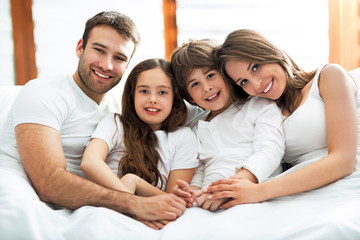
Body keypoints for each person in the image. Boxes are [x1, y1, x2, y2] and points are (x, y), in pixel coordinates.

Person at [0, 11, 187, 225]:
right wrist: (135, 205)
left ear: (127, 66)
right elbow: (48, 183)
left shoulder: (121, 108)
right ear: (80, 47)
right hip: (25, 191)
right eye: (99, 50)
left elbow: (186, 108)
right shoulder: (43, 92)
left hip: (86, 204)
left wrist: (191, 61)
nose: (107, 65)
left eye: (119, 58)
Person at [207, 29, 359, 208]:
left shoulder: (328, 76)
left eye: (255, 67)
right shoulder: (263, 112)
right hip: (298, 193)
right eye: (244, 82)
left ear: (270, 52)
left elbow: (343, 161)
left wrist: (258, 191)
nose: (256, 85)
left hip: (347, 182)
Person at [81, 58, 198, 229]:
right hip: (109, 212)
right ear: (132, 95)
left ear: (175, 99)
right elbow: (90, 161)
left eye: (162, 92)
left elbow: (173, 200)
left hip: (155, 219)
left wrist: (135, 182)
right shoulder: (115, 123)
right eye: (144, 91)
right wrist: (133, 202)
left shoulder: (183, 137)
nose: (152, 99)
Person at [170, 39, 285, 211]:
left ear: (227, 75)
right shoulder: (195, 127)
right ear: (190, 97)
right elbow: (199, 169)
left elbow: (270, 150)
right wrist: (192, 191)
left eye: (210, 76)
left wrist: (235, 185)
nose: (207, 87)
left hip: (254, 191)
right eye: (195, 84)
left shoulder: (257, 106)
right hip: (210, 198)